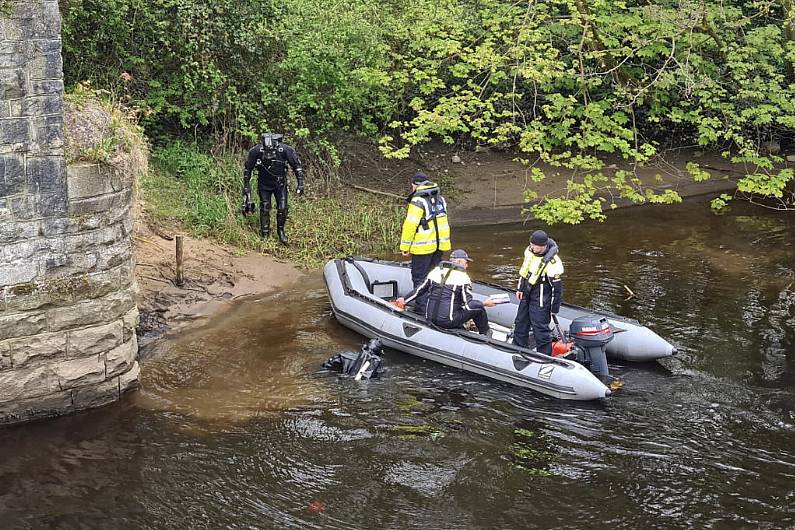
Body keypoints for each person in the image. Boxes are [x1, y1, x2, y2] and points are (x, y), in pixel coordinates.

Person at [395, 249, 496, 334]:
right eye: (466, 262)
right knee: (478, 307)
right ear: (460, 262)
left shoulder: (436, 271)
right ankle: (485, 334)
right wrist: (485, 303)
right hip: (448, 321)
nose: (467, 265)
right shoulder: (463, 278)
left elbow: (419, 290)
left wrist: (404, 300)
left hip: (429, 318)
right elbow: (469, 304)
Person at [399, 173, 451, 309]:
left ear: (415, 185)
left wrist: (405, 247)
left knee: (419, 278)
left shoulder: (418, 201)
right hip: (440, 245)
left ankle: (421, 308)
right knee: (434, 277)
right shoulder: (440, 199)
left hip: (423, 247)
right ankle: (434, 305)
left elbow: (410, 225)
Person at [243, 133, 305, 244]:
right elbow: (248, 169)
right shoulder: (256, 150)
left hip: (280, 184)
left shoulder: (285, 150)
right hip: (264, 184)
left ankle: (280, 231)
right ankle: (264, 233)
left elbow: (297, 167)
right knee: (265, 207)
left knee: (282, 208)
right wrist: (246, 186)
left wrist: (300, 184)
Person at [512, 230, 564, 354]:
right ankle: (517, 348)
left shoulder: (553, 262)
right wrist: (520, 288)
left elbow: (557, 289)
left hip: (541, 297)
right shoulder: (530, 252)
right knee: (520, 322)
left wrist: (554, 308)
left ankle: (544, 355)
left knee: (540, 328)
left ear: (543, 246)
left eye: (535, 245)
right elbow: (524, 272)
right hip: (527, 292)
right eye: (531, 244)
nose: (532, 247)